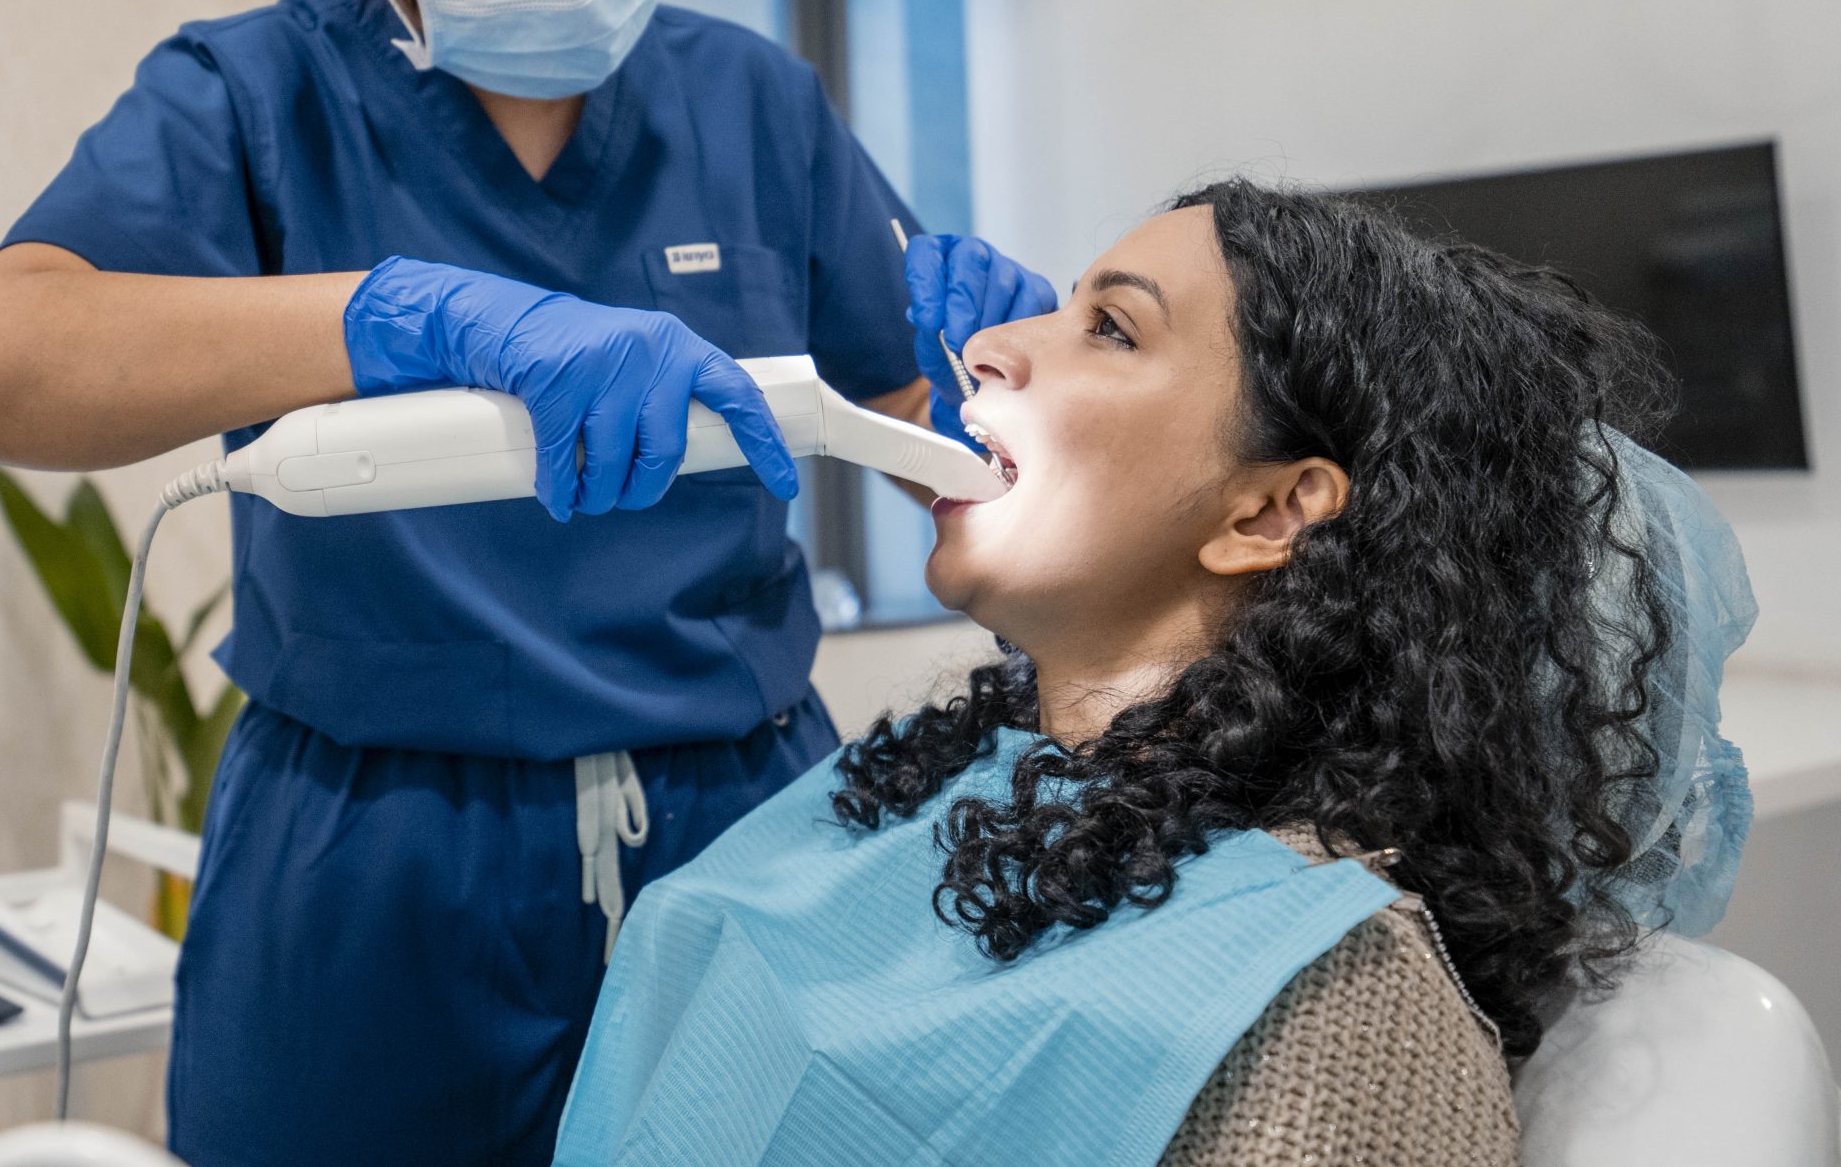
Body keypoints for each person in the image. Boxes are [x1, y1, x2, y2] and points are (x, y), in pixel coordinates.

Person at [0, 0, 1054, 1164]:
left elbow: (917, 422)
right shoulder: (252, 99)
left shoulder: (754, 101)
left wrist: (999, 385)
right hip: (377, 862)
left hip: (744, 824)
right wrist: (391, 313)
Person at [556, 179, 1757, 1166]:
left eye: (1110, 328)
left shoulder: (1332, 1005)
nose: (982, 347)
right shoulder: (922, 791)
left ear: (1272, 511)